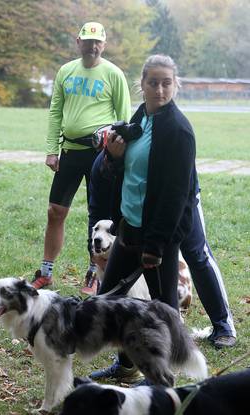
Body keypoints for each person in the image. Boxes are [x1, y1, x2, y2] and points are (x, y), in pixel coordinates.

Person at [90, 54, 204, 383]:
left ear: (175, 85)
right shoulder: (140, 120)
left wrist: (155, 246)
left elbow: (174, 195)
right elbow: (124, 173)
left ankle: (164, 376)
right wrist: (112, 158)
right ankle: (127, 366)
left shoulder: (178, 131)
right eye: (152, 82)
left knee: (163, 309)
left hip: (158, 237)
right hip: (128, 228)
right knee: (110, 297)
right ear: (141, 84)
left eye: (166, 83)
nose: (159, 89)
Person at [89, 149, 236, 349]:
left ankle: (223, 326)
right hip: (140, 210)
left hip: (182, 199)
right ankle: (119, 344)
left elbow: (178, 184)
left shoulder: (160, 143)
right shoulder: (101, 167)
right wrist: (94, 254)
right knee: (124, 267)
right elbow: (96, 212)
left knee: (196, 253)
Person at [32, 22, 131, 291]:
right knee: (55, 211)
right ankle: (46, 270)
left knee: (99, 216)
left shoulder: (113, 74)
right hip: (70, 151)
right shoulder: (66, 71)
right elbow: (55, 112)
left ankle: (94, 273)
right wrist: (52, 149)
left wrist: (121, 157)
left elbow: (124, 120)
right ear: (78, 42)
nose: (93, 46)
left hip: (101, 155)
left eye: (98, 41)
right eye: (88, 41)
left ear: (104, 43)